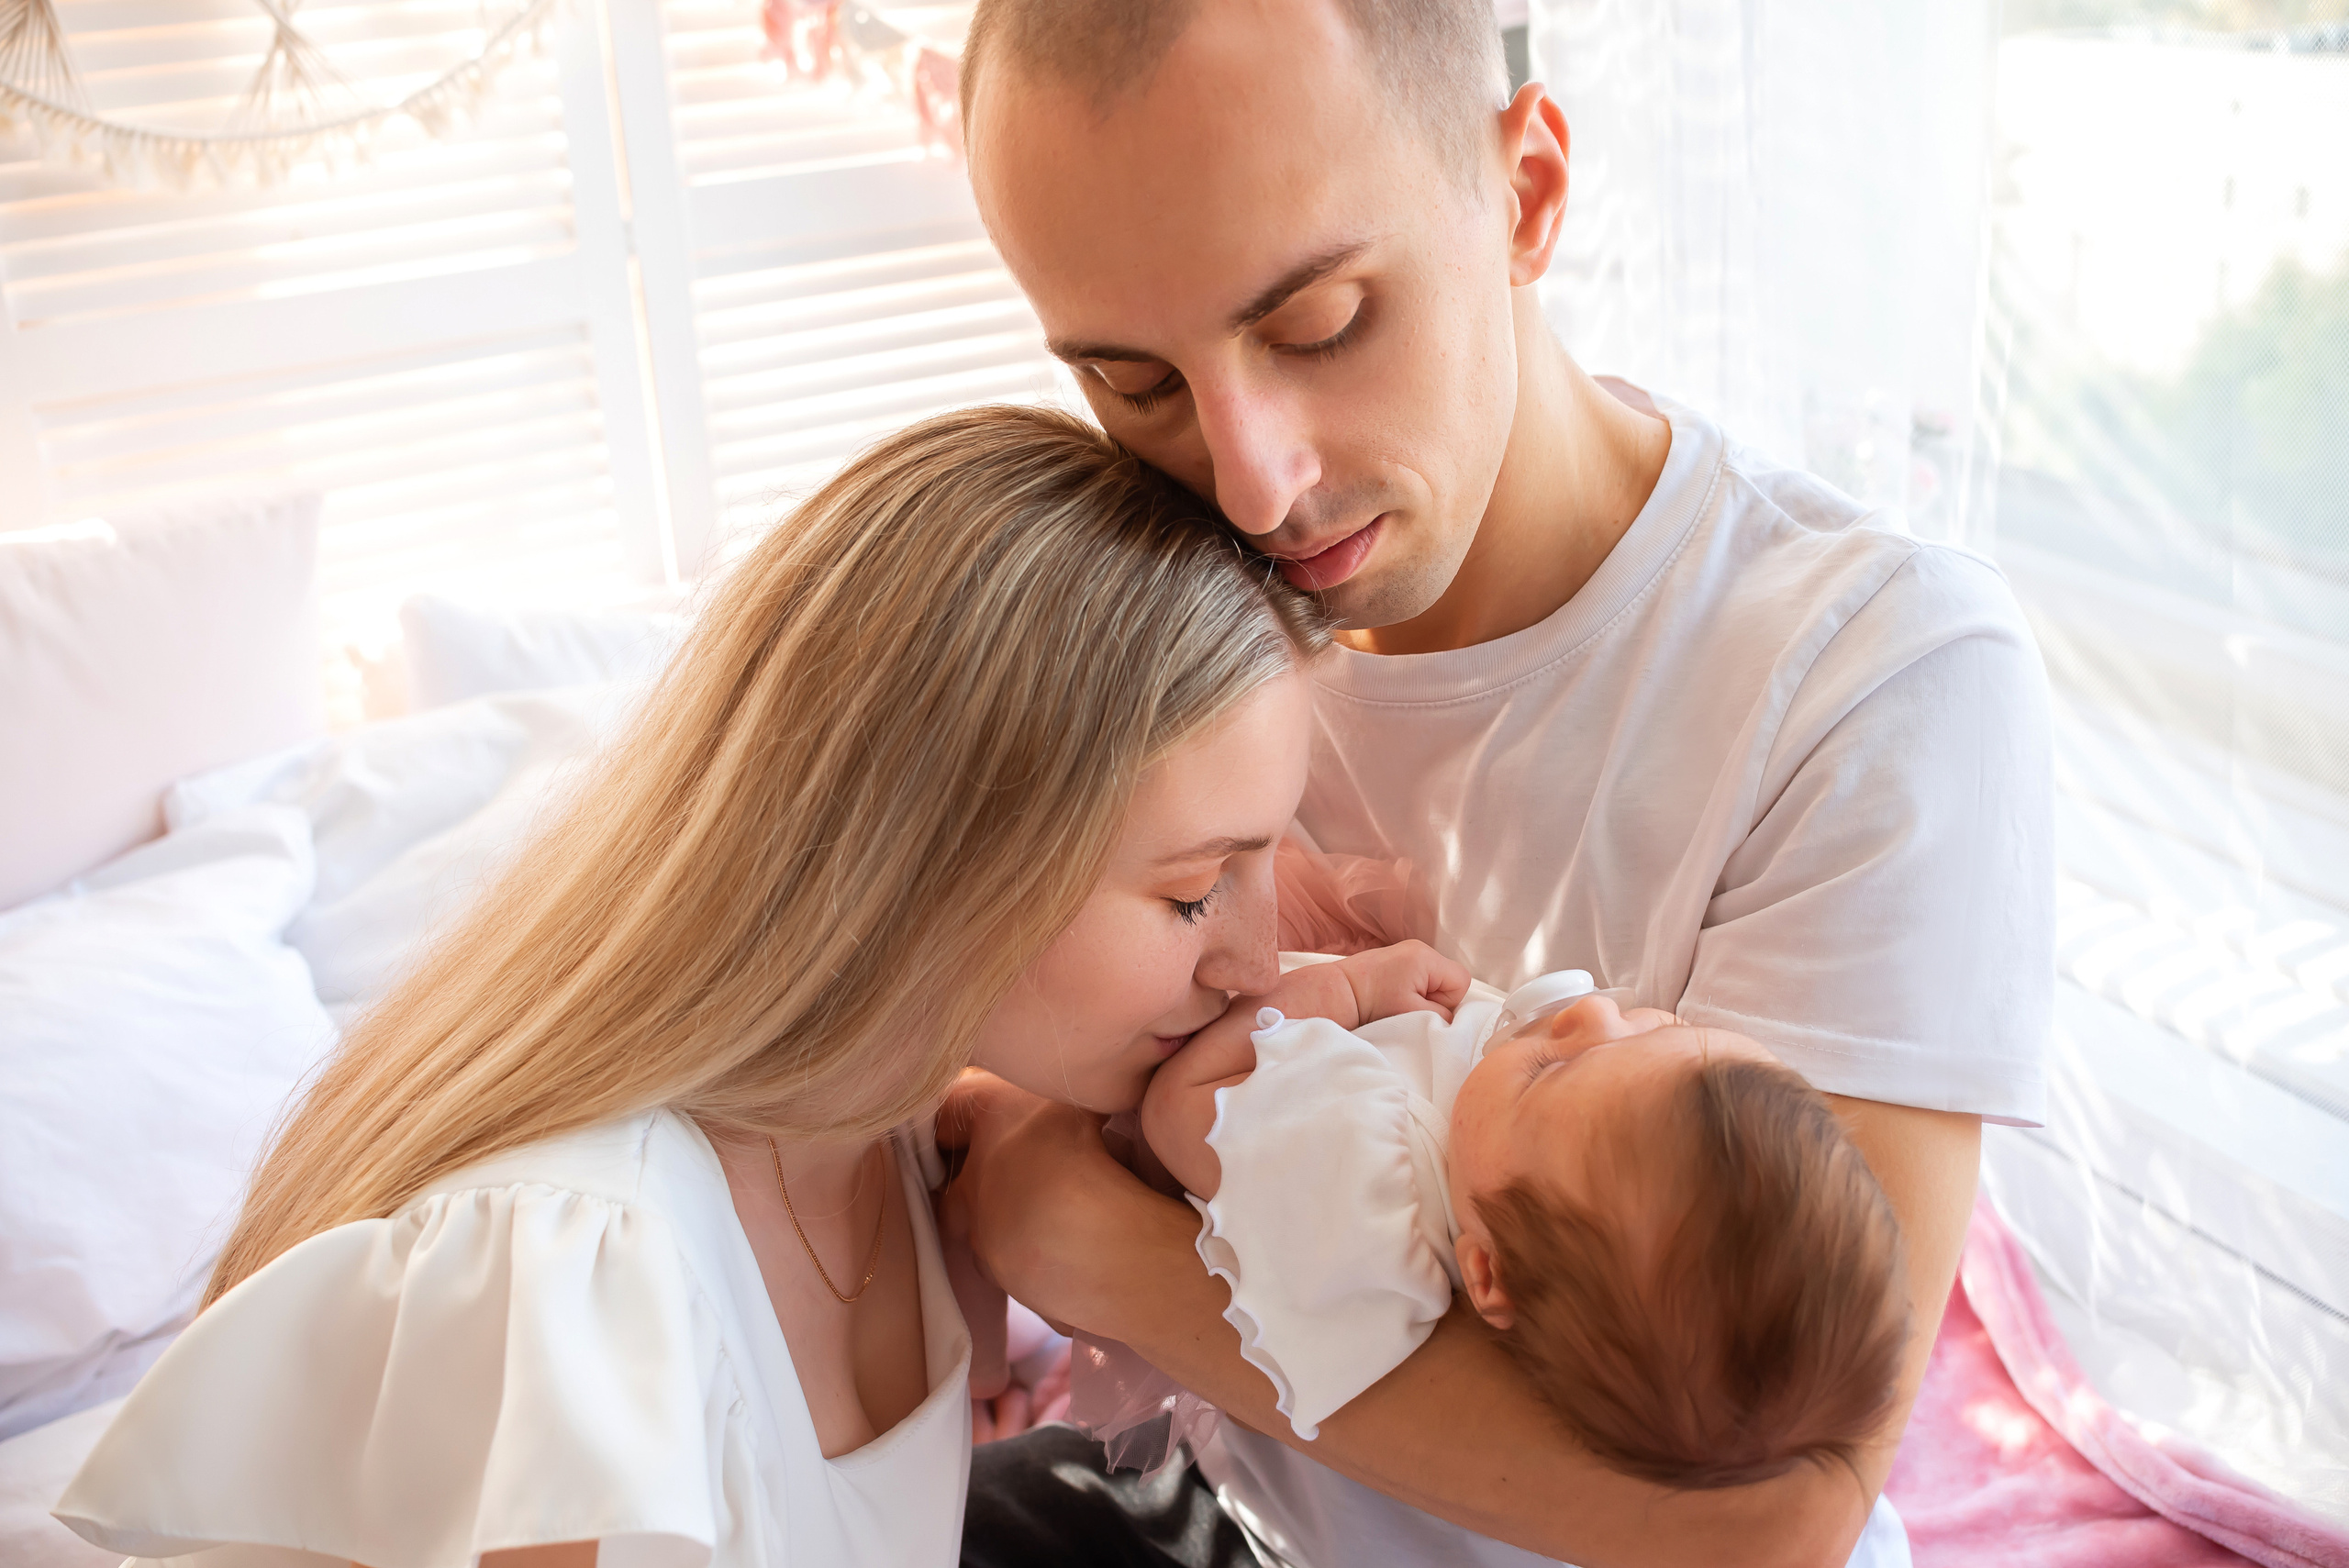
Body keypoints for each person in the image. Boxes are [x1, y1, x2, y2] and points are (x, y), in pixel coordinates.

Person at [946, 1, 2054, 1565]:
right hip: (1214, 1497)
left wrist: (1083, 1241)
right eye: (1138, 387)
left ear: (1527, 194)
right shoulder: (1159, 624)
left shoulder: (1868, 677)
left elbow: (1773, 1511)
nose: (1253, 479)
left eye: (1322, 322)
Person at [50, 406, 1330, 1568]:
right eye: (1192, 892)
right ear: (946, 858)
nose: (1256, 959)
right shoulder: (587, 1277)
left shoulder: (886, 1136)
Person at [1137, 944, 1909, 1485]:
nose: (1596, 1010)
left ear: (1486, 1271)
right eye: (1664, 1033)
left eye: (1549, 1070)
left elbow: (1179, 1108)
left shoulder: (1369, 1176)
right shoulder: (1519, 1168)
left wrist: (1352, 991)